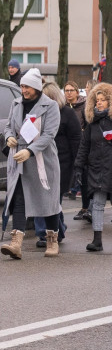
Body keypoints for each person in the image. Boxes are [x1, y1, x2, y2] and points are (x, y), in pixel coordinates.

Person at [0, 68, 63, 259]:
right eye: (22, 86)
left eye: (27, 86)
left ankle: (52, 239)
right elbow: (9, 126)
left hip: (43, 162)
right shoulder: (16, 103)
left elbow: (49, 135)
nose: (23, 90)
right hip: (20, 162)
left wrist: (30, 151)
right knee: (19, 199)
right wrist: (9, 137)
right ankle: (16, 242)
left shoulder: (50, 106)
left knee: (48, 201)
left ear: (36, 87)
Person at [32, 82, 79, 248]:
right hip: (40, 162)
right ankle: (46, 232)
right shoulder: (37, 113)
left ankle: (54, 230)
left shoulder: (67, 113)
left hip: (62, 163)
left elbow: (75, 140)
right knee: (41, 198)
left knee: (54, 200)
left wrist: (77, 164)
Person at [73, 82, 112, 252]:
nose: (100, 103)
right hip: (97, 168)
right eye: (97, 100)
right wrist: (78, 167)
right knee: (97, 204)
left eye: (103, 100)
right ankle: (97, 240)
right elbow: (84, 146)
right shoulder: (92, 123)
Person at [63, 81, 85, 202]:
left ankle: (76, 188)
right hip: (65, 143)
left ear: (77, 92)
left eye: (71, 90)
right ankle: (69, 187)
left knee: (78, 165)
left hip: (79, 141)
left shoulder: (83, 106)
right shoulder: (63, 107)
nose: (69, 93)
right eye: (67, 91)